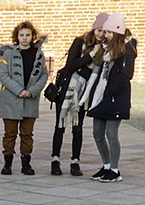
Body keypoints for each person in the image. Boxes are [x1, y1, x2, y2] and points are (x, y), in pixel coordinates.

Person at [50, 13, 106, 176]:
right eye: (99, 30)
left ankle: (75, 162)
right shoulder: (79, 42)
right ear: (94, 28)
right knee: (60, 125)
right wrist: (90, 56)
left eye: (104, 31)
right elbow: (71, 65)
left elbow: (99, 72)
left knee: (78, 127)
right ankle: (55, 160)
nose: (101, 34)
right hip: (68, 90)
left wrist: (87, 67)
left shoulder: (105, 48)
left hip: (83, 95)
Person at [84, 13, 136, 182]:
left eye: (109, 32)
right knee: (97, 133)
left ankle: (114, 170)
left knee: (111, 134)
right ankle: (106, 165)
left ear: (118, 33)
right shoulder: (104, 48)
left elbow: (126, 75)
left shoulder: (127, 50)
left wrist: (110, 90)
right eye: (105, 32)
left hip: (115, 98)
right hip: (101, 97)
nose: (105, 35)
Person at [0, 21, 49, 175]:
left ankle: (26, 163)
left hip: (30, 99)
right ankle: (7, 163)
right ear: (17, 36)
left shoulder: (39, 54)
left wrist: (32, 91)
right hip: (11, 99)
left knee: (27, 134)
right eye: (21, 35)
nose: (24, 38)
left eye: (27, 35)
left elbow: (43, 75)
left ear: (32, 36)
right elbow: (3, 75)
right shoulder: (8, 53)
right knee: (10, 133)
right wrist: (19, 90)